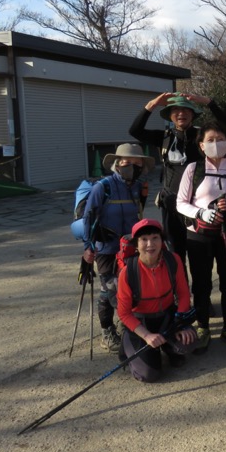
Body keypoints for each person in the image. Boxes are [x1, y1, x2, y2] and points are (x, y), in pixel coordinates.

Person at [129, 92, 226, 268]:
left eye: (186, 110)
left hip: (197, 206)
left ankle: (199, 292)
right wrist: (152, 104)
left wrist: (209, 102)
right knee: (176, 254)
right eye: (176, 110)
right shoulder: (164, 137)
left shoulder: (202, 136)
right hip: (171, 203)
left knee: (197, 254)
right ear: (170, 115)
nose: (181, 114)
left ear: (193, 114)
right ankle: (180, 292)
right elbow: (135, 131)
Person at [176, 122, 226, 354]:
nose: (216, 144)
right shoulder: (193, 169)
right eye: (210, 140)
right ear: (201, 144)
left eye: (220, 139)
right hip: (199, 235)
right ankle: (203, 326)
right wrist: (201, 213)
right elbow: (181, 203)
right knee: (201, 281)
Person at [82, 143, 154, 352]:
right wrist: (88, 246)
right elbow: (89, 216)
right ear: (117, 164)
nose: (132, 166)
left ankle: (129, 327)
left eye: (136, 163)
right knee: (110, 291)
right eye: (127, 162)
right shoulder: (102, 187)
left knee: (131, 288)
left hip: (131, 248)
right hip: (106, 248)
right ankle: (109, 331)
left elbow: (138, 216)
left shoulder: (138, 187)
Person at [116, 219, 197, 382]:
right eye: (144, 239)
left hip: (167, 317)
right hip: (141, 322)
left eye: (155, 238)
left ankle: (168, 348)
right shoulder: (128, 272)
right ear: (136, 244)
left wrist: (181, 324)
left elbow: (183, 294)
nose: (150, 244)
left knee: (188, 343)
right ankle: (129, 346)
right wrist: (146, 336)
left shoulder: (173, 260)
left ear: (162, 240)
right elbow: (124, 314)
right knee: (149, 374)